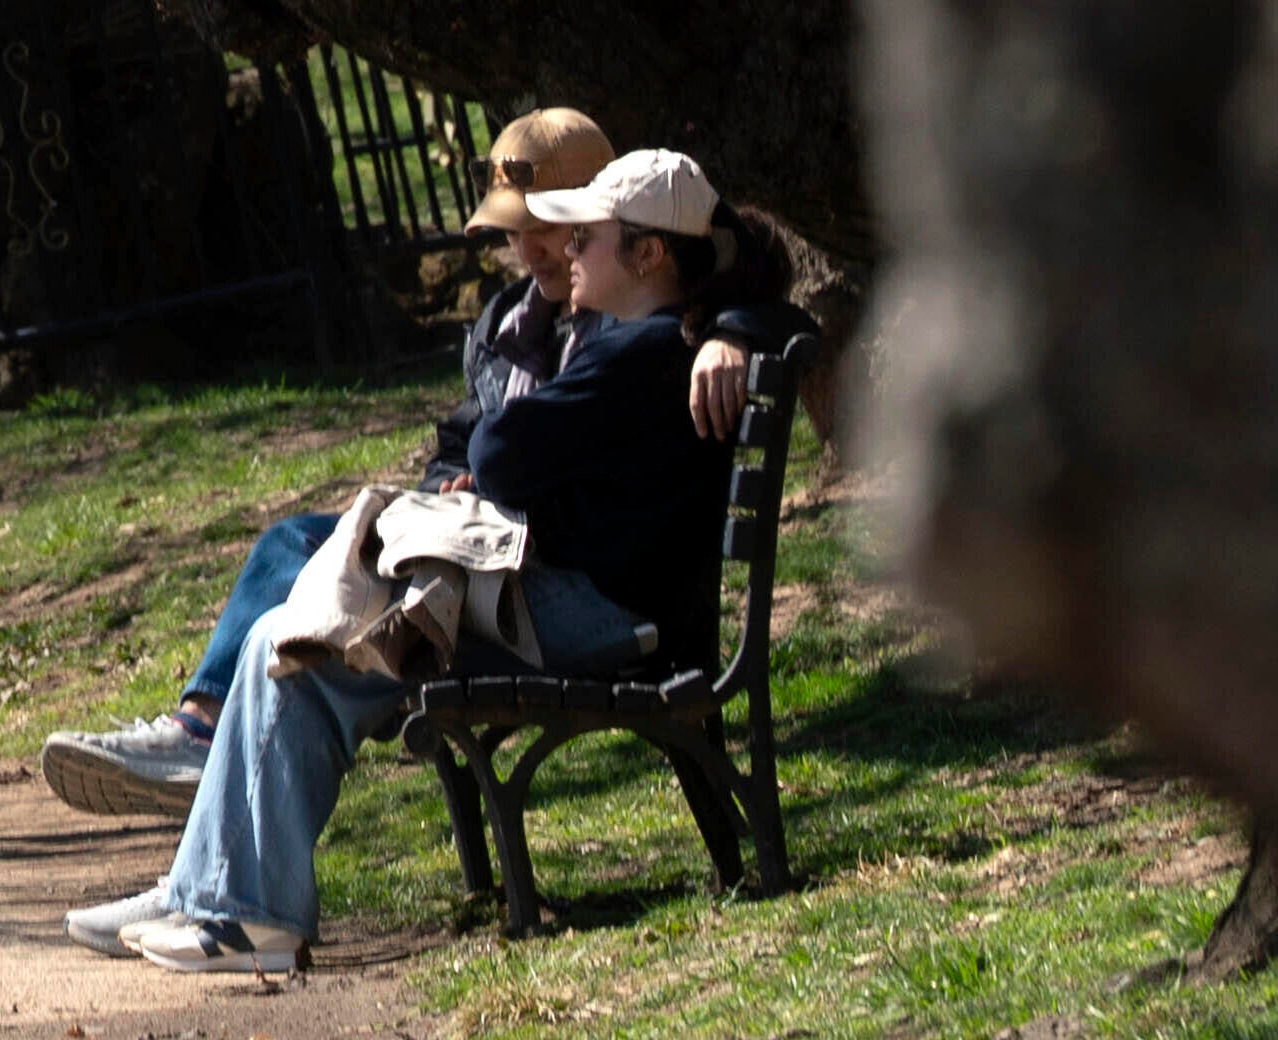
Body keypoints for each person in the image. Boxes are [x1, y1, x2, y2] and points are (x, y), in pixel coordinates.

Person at [69, 146, 813, 975]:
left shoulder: (642, 355)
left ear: (648, 256)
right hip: (570, 600)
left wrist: (731, 331)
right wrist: (732, 329)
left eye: (587, 237)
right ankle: (205, 892)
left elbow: (500, 449)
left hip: (596, 618)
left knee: (302, 648)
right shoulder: (656, 343)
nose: (566, 249)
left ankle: (251, 916)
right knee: (287, 627)